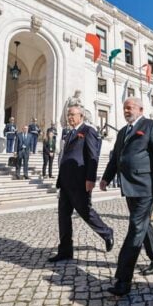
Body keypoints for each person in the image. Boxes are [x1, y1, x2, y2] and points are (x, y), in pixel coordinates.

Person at [100, 98, 153, 296]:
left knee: (136, 228)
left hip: (146, 186)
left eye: (130, 107)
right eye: (124, 108)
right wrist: (106, 178)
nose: (126, 110)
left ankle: (123, 279)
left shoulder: (150, 126)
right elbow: (116, 159)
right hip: (129, 186)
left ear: (140, 109)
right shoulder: (122, 132)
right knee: (143, 224)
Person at [48, 105, 113, 262]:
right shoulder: (69, 133)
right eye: (68, 114)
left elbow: (93, 156)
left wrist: (90, 179)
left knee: (85, 212)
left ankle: (107, 232)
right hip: (65, 181)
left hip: (79, 181)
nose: (70, 117)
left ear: (81, 116)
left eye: (73, 114)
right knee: (63, 217)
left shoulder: (88, 130)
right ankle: (65, 250)